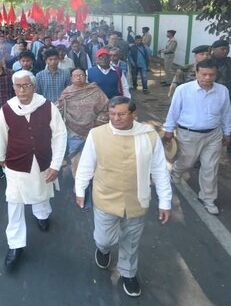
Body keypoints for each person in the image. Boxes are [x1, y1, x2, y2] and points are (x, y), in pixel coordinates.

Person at [74, 96, 172, 298]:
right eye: (111, 114)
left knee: (131, 240)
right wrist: (80, 190)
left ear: (134, 114)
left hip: (137, 200)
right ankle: (102, 249)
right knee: (104, 239)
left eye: (121, 114)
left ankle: (128, 273)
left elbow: (160, 170)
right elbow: (86, 165)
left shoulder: (149, 136)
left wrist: (165, 202)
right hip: (105, 198)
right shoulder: (97, 134)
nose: (115, 118)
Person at [0, 70, 67, 271]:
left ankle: (42, 215)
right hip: (16, 163)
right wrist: (1, 157)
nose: (22, 90)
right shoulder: (7, 108)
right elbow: (1, 135)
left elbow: (60, 135)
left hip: (43, 161)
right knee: (15, 202)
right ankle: (15, 245)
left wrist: (55, 164)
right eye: (18, 86)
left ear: (34, 87)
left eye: (26, 85)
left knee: (42, 190)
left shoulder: (47, 106)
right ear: (13, 87)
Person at [163, 59, 231, 215]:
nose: (208, 78)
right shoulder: (183, 89)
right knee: (186, 162)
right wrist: (168, 129)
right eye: (204, 74)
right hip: (188, 133)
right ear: (196, 73)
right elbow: (174, 111)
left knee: (210, 166)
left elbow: (226, 112)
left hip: (214, 134)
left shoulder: (222, 91)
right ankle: (176, 171)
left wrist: (228, 131)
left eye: (212, 75)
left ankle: (208, 199)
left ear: (216, 75)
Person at [57, 68, 109, 210]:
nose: (79, 77)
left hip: (94, 132)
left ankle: (94, 191)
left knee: (94, 163)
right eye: (75, 75)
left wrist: (98, 123)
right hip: (74, 132)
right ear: (71, 77)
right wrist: (59, 106)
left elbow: (106, 108)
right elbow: (59, 110)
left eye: (81, 75)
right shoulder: (67, 92)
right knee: (77, 163)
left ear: (85, 76)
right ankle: (81, 190)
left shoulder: (95, 90)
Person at [211, 39, 231, 156]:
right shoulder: (207, 61)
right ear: (213, 49)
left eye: (227, 49)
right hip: (213, 96)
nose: (226, 51)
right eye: (222, 49)